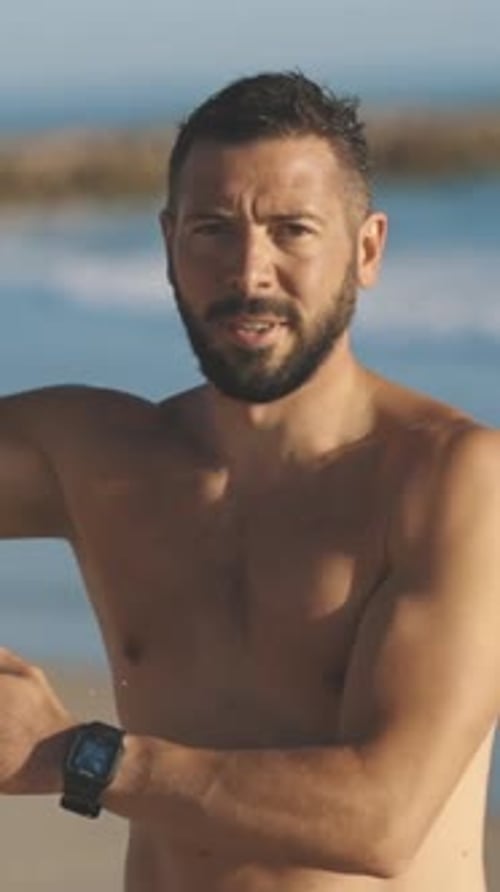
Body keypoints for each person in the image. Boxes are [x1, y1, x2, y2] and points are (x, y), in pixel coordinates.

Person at [0, 70, 499, 892]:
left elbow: (382, 818)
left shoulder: (450, 480)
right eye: (212, 229)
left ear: (366, 249)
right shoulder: (97, 458)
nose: (249, 271)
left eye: (291, 229)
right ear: (168, 246)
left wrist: (73, 757)